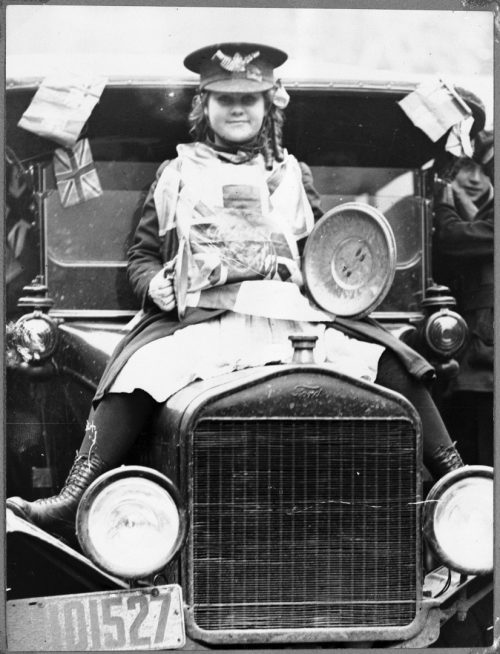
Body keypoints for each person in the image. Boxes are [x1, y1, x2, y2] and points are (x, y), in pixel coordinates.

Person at [7, 42, 465, 542]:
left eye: (250, 99)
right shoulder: (176, 173)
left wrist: (335, 275)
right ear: (205, 106)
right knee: (139, 371)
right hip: (208, 318)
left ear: (269, 105)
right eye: (225, 99)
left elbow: (320, 253)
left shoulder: (293, 174)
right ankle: (77, 495)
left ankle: (456, 481)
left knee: (391, 357)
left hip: (290, 318)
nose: (238, 109)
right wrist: (156, 285)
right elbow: (142, 257)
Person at [433, 130, 494, 466]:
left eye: (484, 169)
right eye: (465, 168)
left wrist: (443, 201)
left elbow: (453, 237)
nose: (476, 178)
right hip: (476, 367)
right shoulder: (483, 211)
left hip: (485, 369)